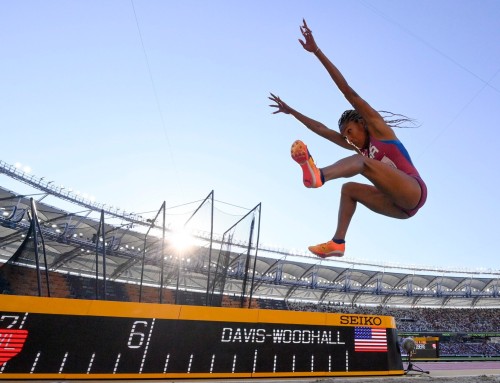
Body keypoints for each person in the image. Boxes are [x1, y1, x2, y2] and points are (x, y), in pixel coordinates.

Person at [269, 20, 427, 258]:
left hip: (413, 191)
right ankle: (338, 242)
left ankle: (319, 175)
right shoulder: (360, 151)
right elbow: (321, 129)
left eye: (350, 131)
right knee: (348, 188)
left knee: (360, 162)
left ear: (362, 124)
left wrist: (317, 52)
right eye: (344, 136)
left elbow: (348, 91)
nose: (348, 138)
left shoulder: (379, 130)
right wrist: (292, 112)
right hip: (399, 208)